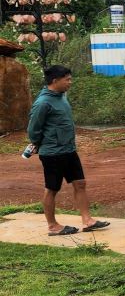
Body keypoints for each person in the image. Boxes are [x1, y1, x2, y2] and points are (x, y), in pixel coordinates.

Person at [27, 65, 110, 236]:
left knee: (80, 183)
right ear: (55, 80)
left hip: (69, 150)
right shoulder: (42, 103)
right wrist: (39, 143)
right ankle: (52, 225)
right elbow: (33, 130)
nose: (70, 82)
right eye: (67, 79)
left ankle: (88, 220)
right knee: (52, 188)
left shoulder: (61, 97)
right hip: (52, 154)